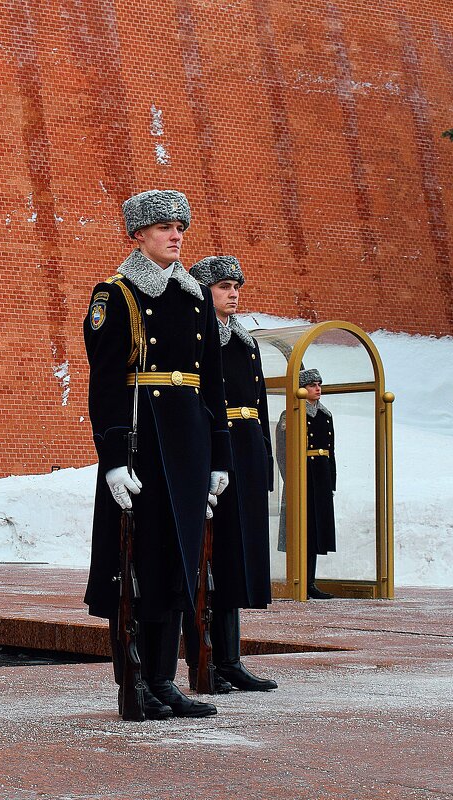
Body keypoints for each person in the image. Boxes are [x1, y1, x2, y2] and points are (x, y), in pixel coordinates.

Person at [83, 189, 232, 719]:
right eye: (165, 226)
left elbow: (213, 385)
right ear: (138, 234)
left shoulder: (195, 298)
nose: (176, 235)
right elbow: (106, 383)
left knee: (178, 563)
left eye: (181, 227)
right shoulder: (116, 295)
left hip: (188, 444)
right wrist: (114, 457)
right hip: (142, 447)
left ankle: (165, 680)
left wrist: (219, 460)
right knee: (136, 565)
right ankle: (136, 682)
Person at [181, 256, 277, 692]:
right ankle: (206, 661)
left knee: (237, 560)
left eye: (236, 285)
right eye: (223, 286)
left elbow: (260, 404)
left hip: (247, 451)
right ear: (203, 291)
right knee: (209, 561)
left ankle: (231, 660)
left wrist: (265, 461)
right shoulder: (198, 338)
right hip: (216, 450)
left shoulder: (245, 341)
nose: (233, 293)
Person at [274, 368, 336, 599]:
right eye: (312, 385)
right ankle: (297, 580)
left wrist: (331, 481)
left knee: (316, 531)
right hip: (301, 476)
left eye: (319, 384)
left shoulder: (326, 415)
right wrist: (291, 478)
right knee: (301, 529)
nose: (318, 389)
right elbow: (283, 451)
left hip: (320, 477)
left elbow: (331, 451)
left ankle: (310, 581)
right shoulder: (291, 413)